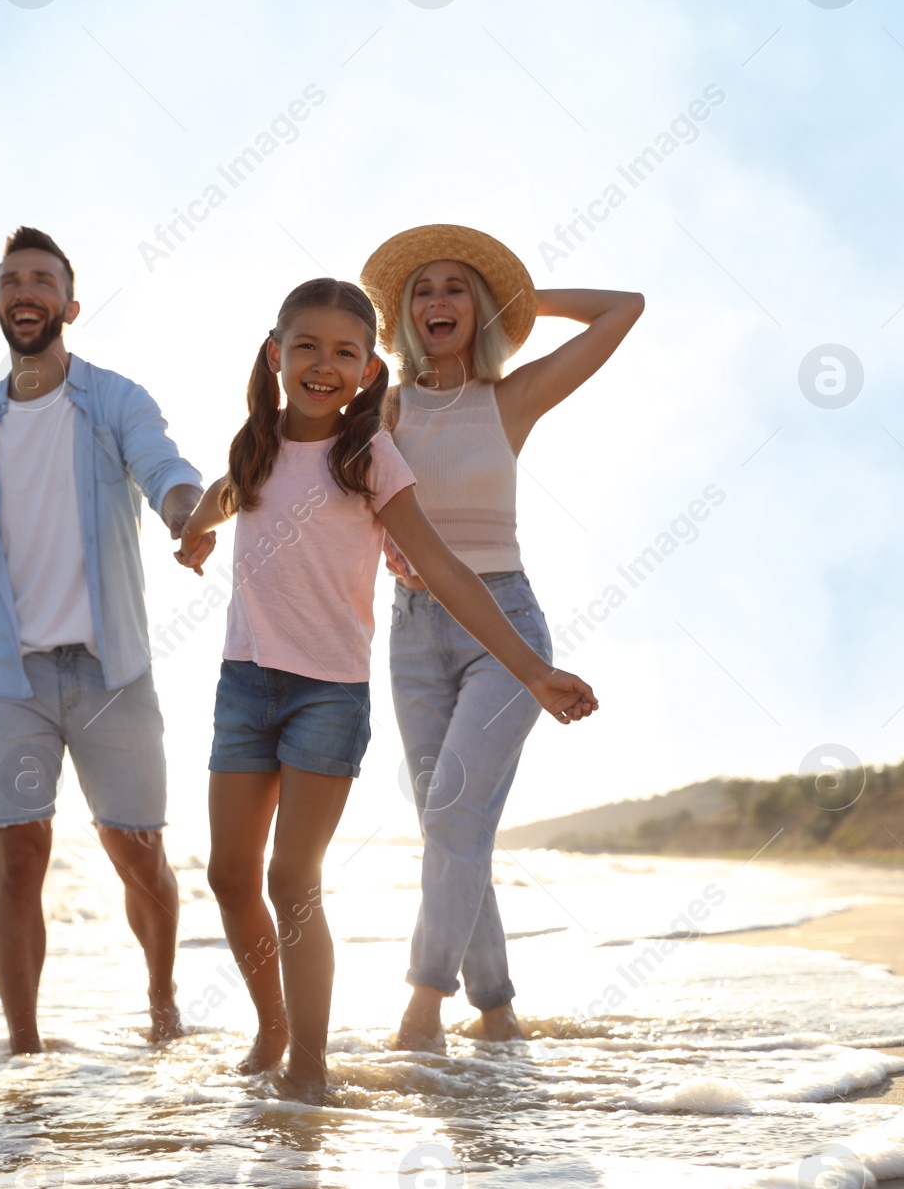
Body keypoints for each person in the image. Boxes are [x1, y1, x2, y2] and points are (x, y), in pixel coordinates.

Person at [173, 277, 597, 1103]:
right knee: (230, 874)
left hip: (327, 695)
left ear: (370, 368)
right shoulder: (253, 443)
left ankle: (309, 1069)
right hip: (243, 685)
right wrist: (195, 531)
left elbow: (440, 564)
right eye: (307, 348)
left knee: (292, 878)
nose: (323, 365)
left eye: (343, 353)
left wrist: (533, 669)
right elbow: (231, 493)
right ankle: (272, 1025)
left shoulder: (369, 456)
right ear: (275, 355)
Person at [0, 226, 205, 1053]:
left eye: (40, 279)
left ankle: (163, 1002)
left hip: (114, 671)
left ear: (69, 305)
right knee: (20, 855)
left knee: (139, 854)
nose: (23, 290)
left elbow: (164, 466)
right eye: (10, 280)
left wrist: (186, 517)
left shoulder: (114, 400)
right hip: (9, 677)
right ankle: (24, 1048)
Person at [358, 223, 644, 1052]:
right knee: (453, 824)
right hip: (412, 634)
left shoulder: (511, 398)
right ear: (404, 315)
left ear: (476, 308)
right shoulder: (386, 405)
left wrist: (521, 302)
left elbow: (624, 309)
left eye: (455, 287)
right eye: (422, 289)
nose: (437, 300)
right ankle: (496, 1009)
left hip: (505, 627)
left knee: (452, 811)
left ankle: (421, 1007)